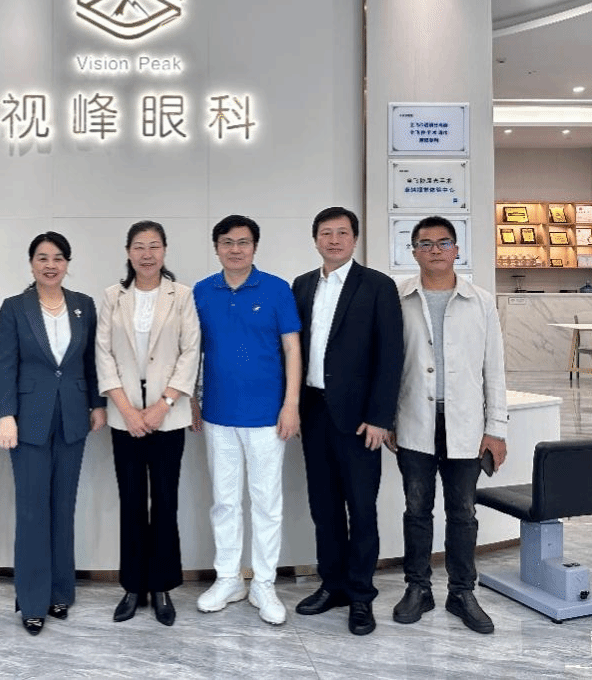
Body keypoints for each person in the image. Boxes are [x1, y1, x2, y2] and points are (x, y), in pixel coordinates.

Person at [389, 215, 507, 634]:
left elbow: (494, 368)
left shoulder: (481, 301)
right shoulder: (398, 298)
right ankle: (418, 588)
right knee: (416, 509)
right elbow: (388, 365)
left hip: (466, 425)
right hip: (413, 422)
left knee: (463, 512)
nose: (435, 250)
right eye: (425, 243)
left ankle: (462, 592)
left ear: (456, 250)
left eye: (443, 243)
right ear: (414, 252)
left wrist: (496, 428)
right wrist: (387, 419)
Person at [292, 206, 403, 636]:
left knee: (361, 509)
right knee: (323, 508)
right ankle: (332, 585)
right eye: (326, 233)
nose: (334, 240)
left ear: (355, 239)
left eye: (342, 233)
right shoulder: (302, 285)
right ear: (315, 239)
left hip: (360, 421)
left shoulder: (377, 286)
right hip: (314, 412)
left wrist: (380, 417)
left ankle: (361, 595)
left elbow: (390, 355)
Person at [0, 231, 106, 635]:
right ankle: (31, 599)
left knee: (63, 508)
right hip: (28, 421)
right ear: (31, 263)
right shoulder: (14, 307)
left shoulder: (83, 305)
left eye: (58, 257)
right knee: (32, 512)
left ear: (67, 263)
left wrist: (97, 403)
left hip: (73, 418)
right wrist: (6, 414)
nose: (50, 265)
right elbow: (5, 364)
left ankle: (61, 591)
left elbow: (92, 360)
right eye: (42, 257)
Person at [193, 214, 302, 626]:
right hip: (218, 413)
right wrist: (192, 400)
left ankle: (264, 583)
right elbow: (192, 351)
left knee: (266, 502)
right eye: (227, 242)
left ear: (255, 247)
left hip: (267, 416)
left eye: (243, 242)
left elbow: (292, 349)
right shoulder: (202, 291)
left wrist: (291, 405)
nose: (235, 249)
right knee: (224, 501)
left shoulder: (276, 289)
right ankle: (228, 579)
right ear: (216, 247)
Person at [95, 220, 201, 626]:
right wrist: (127, 410)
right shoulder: (113, 296)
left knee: (166, 502)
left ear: (164, 251)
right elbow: (103, 354)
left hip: (168, 417)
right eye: (139, 246)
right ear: (128, 252)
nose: (146, 254)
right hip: (125, 418)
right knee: (132, 501)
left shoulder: (182, 295)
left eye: (154, 246)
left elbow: (190, 352)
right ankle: (133, 586)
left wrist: (163, 405)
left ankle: (161, 586)